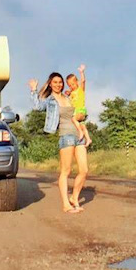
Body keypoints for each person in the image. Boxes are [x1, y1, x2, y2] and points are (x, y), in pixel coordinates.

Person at [28, 72, 89, 213]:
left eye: (60, 82)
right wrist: (33, 90)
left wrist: (83, 115)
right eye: (55, 82)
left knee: (84, 170)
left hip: (79, 135)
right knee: (66, 171)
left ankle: (74, 197)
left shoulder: (69, 96)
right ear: (50, 84)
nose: (58, 84)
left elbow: (80, 109)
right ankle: (66, 205)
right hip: (66, 135)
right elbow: (37, 107)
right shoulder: (50, 100)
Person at [65, 64, 92, 147]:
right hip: (77, 112)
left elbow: (83, 81)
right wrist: (68, 93)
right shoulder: (72, 92)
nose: (71, 86)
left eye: (73, 84)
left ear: (77, 82)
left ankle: (80, 132)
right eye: (69, 85)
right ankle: (88, 139)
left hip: (80, 111)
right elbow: (70, 95)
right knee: (83, 126)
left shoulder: (80, 89)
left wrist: (81, 72)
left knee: (73, 119)